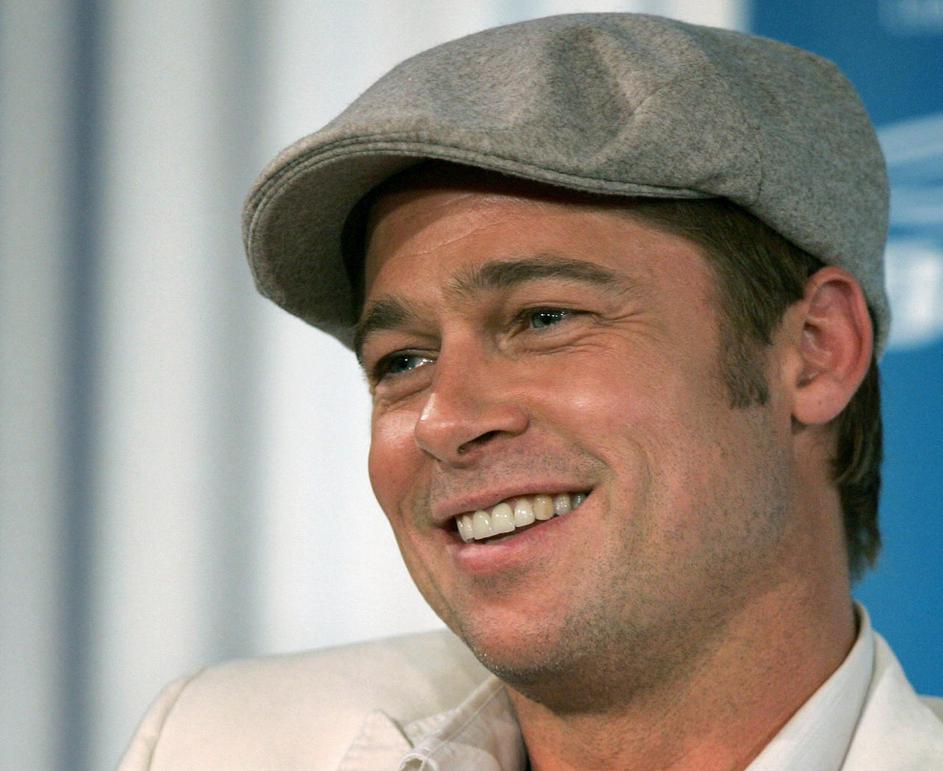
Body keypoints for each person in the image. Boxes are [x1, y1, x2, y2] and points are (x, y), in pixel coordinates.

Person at [120, 13, 943, 770]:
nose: (444, 419)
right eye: (401, 361)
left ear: (814, 352)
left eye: (544, 318)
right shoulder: (221, 743)